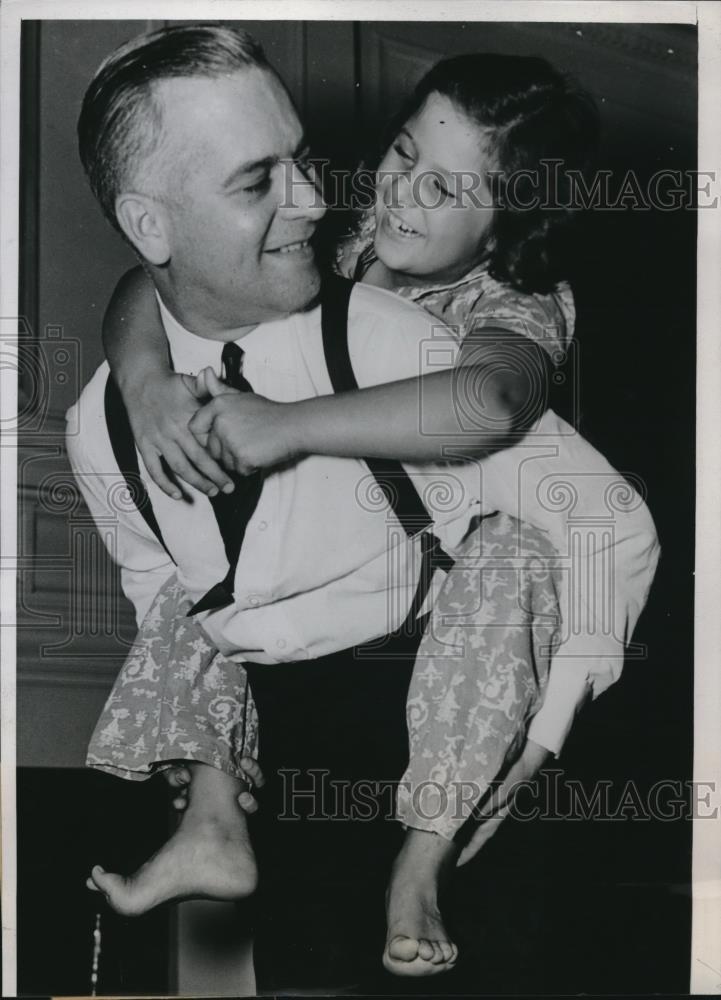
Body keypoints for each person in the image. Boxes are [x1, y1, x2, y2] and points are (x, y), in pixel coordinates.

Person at [68, 27, 658, 987]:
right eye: (402, 153)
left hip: (469, 652)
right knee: (195, 597)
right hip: (319, 668)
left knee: (510, 549)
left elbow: (491, 406)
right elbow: (154, 274)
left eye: (446, 188)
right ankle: (213, 814)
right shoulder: (336, 238)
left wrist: (291, 426)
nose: (399, 192)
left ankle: (420, 859)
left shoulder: (512, 304)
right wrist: (140, 379)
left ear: (507, 223)